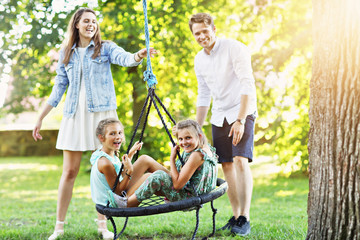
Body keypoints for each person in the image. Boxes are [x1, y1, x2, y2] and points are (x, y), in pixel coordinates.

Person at [32, 8, 157, 240]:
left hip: (102, 116)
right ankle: (58, 227)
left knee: (105, 171)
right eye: (86, 21)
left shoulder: (105, 47)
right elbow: (59, 88)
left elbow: (125, 59)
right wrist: (40, 117)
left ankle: (103, 225)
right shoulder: (66, 52)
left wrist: (139, 56)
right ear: (77, 25)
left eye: (94, 21)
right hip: (74, 115)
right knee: (69, 171)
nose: (91, 24)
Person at [188, 13, 257, 236]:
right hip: (219, 116)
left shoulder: (234, 48)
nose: (201, 36)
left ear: (214, 29)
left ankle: (245, 217)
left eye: (204, 31)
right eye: (196, 33)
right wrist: (196, 131)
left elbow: (248, 83)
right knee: (226, 164)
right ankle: (235, 215)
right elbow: (203, 95)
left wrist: (240, 119)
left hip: (241, 111)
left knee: (239, 160)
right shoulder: (199, 59)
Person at [107, 119, 218, 208]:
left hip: (189, 197)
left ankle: (125, 203)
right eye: (180, 139)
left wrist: (172, 158)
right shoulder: (204, 146)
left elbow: (177, 185)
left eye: (188, 138)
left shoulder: (197, 155)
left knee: (155, 176)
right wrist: (180, 133)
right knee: (145, 159)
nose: (183, 142)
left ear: (199, 136)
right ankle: (120, 193)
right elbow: (187, 138)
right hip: (186, 187)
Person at [90, 118, 169, 207]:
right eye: (112, 134)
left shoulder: (105, 153)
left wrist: (130, 155)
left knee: (144, 159)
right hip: (118, 202)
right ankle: (174, 194)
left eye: (119, 133)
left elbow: (118, 176)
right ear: (101, 137)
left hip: (121, 194)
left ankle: (177, 182)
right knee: (149, 177)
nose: (118, 137)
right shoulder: (105, 162)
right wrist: (129, 171)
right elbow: (118, 191)